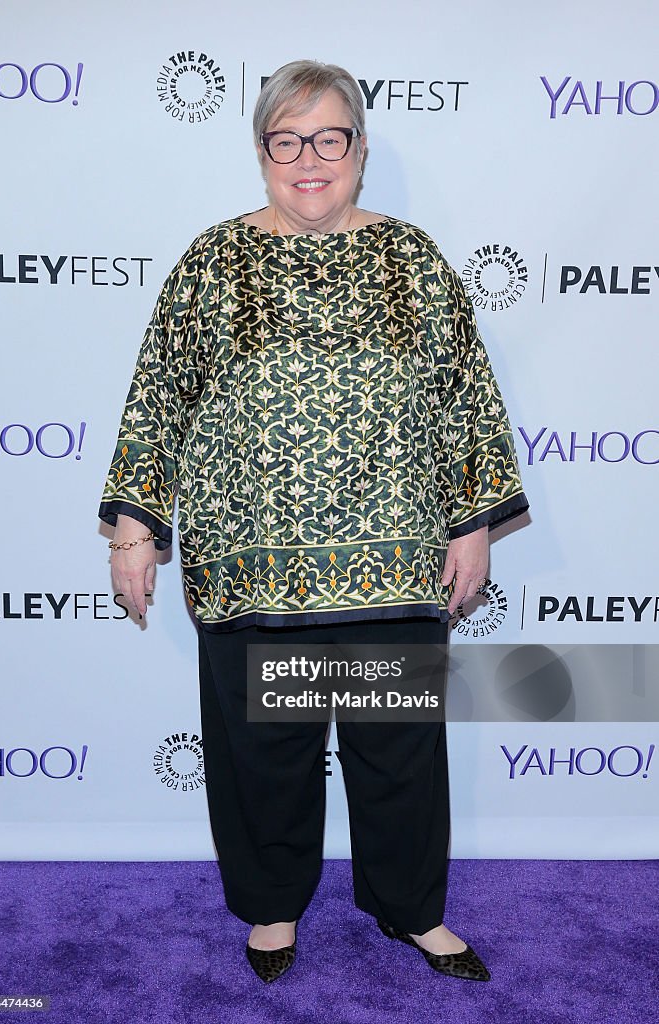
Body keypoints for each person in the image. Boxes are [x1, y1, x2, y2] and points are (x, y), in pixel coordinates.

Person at [99, 59, 529, 984]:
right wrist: (136, 528)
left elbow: (464, 399)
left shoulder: (412, 259)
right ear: (261, 153)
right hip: (250, 570)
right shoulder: (211, 261)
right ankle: (270, 908)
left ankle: (411, 911)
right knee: (265, 758)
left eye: (329, 138)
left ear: (360, 150)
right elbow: (158, 400)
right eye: (287, 140)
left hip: (391, 560)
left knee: (397, 758)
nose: (309, 159)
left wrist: (474, 522)